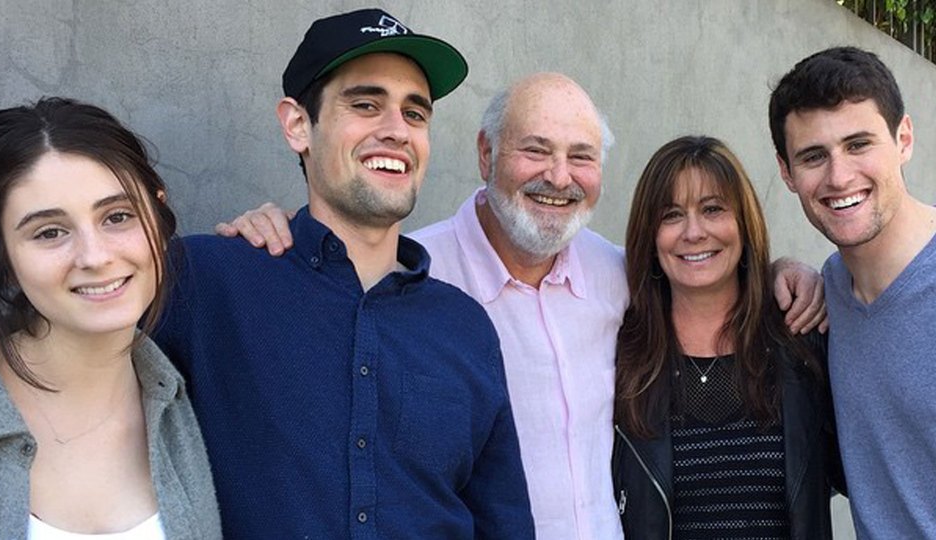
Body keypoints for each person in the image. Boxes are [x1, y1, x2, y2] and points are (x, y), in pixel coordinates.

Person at [220, 73, 828, 540]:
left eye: (581, 156)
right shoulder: (410, 277)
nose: (559, 177)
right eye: (535, 150)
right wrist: (275, 234)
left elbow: (705, 272)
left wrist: (788, 273)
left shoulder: (617, 276)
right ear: (486, 155)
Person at [152, 8, 534, 539]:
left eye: (415, 113)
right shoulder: (208, 281)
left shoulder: (465, 327)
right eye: (365, 104)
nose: (396, 130)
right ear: (297, 125)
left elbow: (504, 522)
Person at [0, 97, 220, 538]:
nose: (95, 256)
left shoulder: (198, 402)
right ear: (1, 254)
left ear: (158, 215)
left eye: (118, 217)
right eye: (50, 232)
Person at [612, 135, 842, 539]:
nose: (694, 232)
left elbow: (867, 469)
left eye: (713, 209)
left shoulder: (802, 344)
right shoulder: (619, 357)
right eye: (670, 215)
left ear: (744, 222)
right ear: (649, 236)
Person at [770, 46, 936, 538]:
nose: (839, 177)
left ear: (903, 138)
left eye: (859, 143)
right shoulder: (833, 289)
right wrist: (780, 267)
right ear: (786, 173)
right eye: (814, 156)